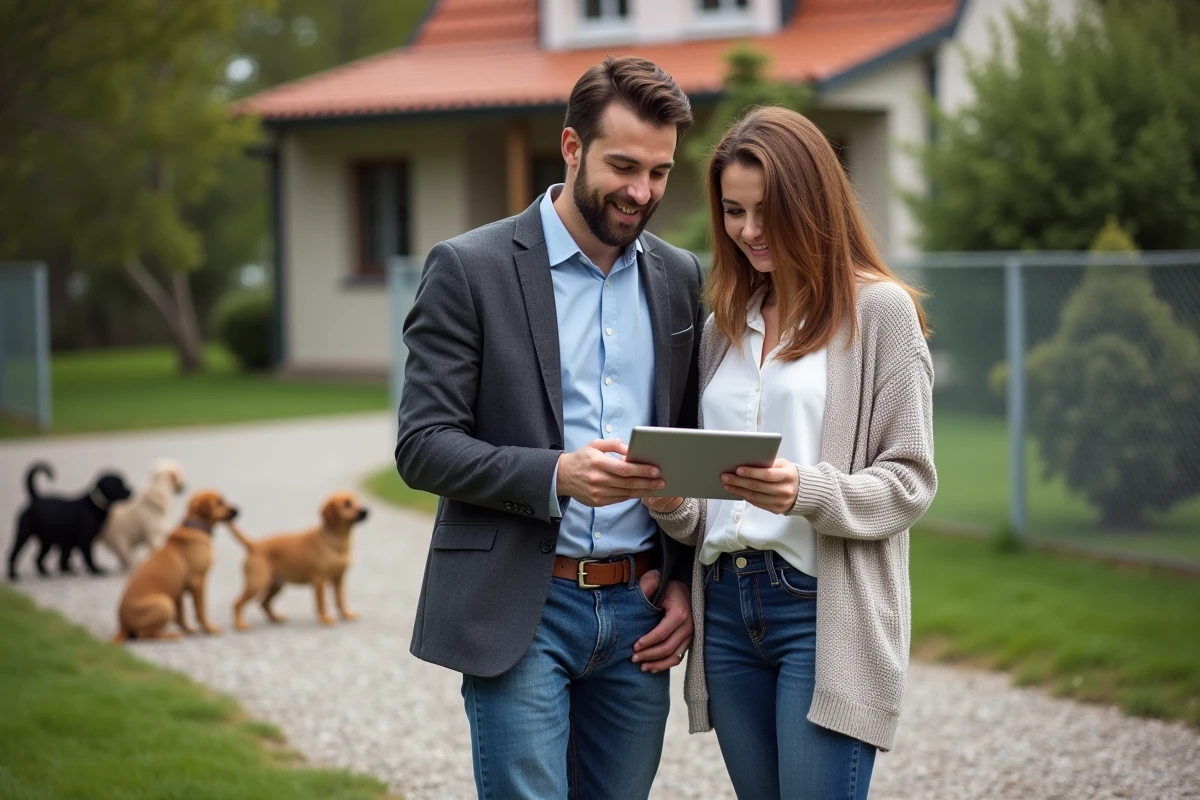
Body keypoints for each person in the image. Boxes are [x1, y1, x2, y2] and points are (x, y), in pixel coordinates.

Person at [396, 55, 705, 800]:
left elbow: (691, 443)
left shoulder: (682, 278)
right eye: (623, 166)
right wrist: (556, 474)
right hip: (520, 609)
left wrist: (684, 583)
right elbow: (422, 445)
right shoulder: (469, 268)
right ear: (571, 147)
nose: (641, 192)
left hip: (639, 611)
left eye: (659, 172)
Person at [645, 106, 937, 800]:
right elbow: (712, 509)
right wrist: (671, 500)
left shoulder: (880, 313)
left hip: (819, 610)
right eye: (734, 212)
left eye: (767, 211)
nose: (749, 231)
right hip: (725, 608)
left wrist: (806, 490)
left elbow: (910, 481)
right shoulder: (723, 324)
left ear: (812, 202)